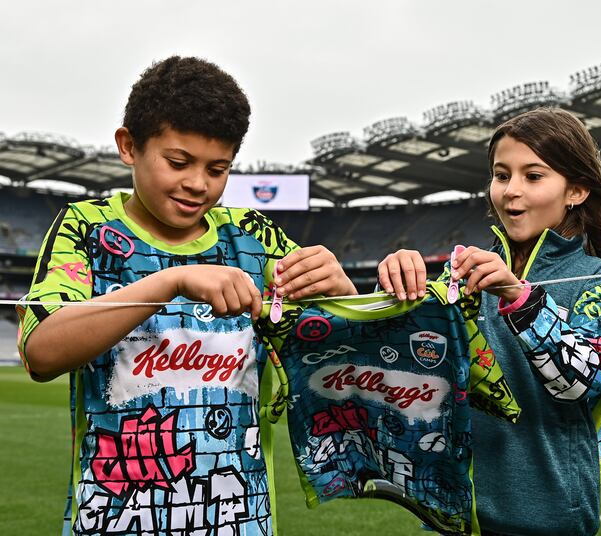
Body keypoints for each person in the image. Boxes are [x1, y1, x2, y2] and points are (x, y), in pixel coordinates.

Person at [17, 56, 356, 535]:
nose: (198, 184)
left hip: (241, 520)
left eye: (218, 169)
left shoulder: (253, 236)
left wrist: (342, 291)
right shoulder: (87, 228)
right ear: (128, 146)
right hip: (114, 519)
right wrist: (170, 281)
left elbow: (336, 358)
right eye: (178, 163)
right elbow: (41, 352)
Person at [377, 108, 601, 535]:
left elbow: (585, 381)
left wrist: (520, 298)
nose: (511, 190)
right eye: (501, 175)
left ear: (576, 190)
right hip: (452, 519)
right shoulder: (464, 272)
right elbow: (402, 365)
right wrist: (398, 286)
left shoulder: (595, 279)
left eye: (533, 176)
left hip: (547, 521)